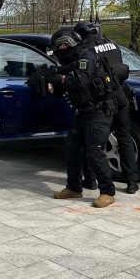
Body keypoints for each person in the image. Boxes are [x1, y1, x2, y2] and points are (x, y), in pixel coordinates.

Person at [49, 27, 116, 208]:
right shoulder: (69, 61)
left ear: (72, 43)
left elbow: (80, 81)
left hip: (98, 111)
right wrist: (54, 85)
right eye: (59, 46)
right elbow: (66, 90)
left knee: (95, 152)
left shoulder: (85, 56)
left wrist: (61, 79)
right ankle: (74, 188)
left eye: (65, 44)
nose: (62, 48)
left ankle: (108, 192)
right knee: (71, 147)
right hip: (83, 112)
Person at [74, 21, 139, 194]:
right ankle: (132, 182)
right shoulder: (112, 44)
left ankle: (91, 180)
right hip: (122, 96)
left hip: (103, 101)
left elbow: (82, 77)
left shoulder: (85, 50)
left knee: (93, 142)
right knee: (124, 137)